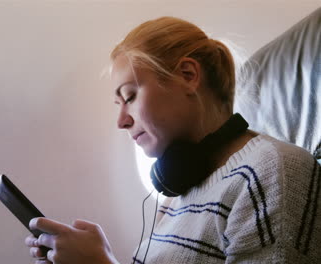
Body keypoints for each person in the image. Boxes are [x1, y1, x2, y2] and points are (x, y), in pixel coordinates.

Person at [25, 16, 321, 263]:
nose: (121, 121)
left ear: (189, 75)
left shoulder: (274, 171)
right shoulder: (175, 197)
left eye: (129, 96)